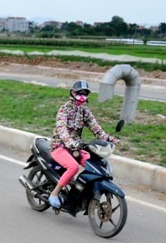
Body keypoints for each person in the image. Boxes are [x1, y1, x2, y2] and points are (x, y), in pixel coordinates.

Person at [47, 80, 115, 210]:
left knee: (94, 165)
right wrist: (69, 142)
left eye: (85, 93)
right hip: (60, 146)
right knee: (73, 167)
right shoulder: (64, 109)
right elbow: (62, 129)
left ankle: (81, 192)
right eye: (80, 93)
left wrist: (108, 138)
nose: (82, 96)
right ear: (73, 93)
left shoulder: (85, 112)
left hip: (76, 148)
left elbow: (96, 129)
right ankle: (54, 194)